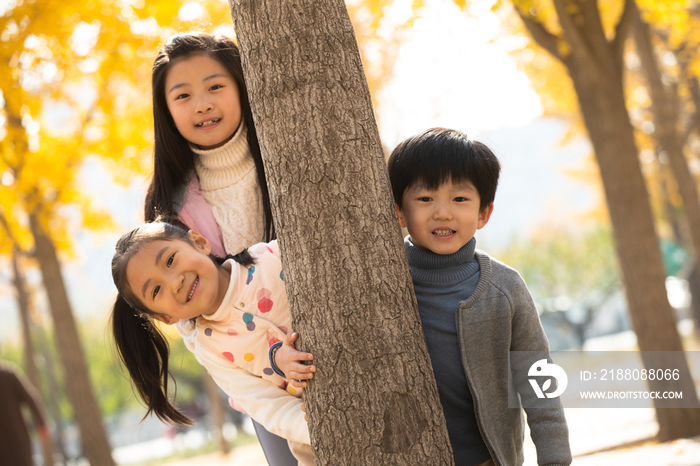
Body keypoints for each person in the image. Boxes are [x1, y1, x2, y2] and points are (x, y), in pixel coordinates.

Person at [142, 32, 295, 464]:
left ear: (241, 87)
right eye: (183, 95)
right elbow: (193, 323)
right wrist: (255, 374)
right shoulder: (169, 206)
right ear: (167, 111)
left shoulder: (288, 151)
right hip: (262, 369)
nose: (202, 104)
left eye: (215, 86)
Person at [387, 128, 572, 466]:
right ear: (399, 212)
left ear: (484, 213)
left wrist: (555, 458)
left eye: (459, 199)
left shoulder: (505, 287)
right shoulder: (381, 283)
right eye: (425, 199)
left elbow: (538, 377)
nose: (442, 212)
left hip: (488, 460)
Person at [111, 220, 316, 465]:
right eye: (156, 290)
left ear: (199, 243)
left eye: (170, 260)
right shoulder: (211, 348)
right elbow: (264, 404)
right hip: (311, 434)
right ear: (166, 318)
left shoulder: (269, 257)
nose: (175, 283)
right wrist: (319, 427)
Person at [0, 361, 51, 466]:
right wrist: (42, 424)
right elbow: (31, 398)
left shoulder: (8, 373)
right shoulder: (7, 372)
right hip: (18, 442)